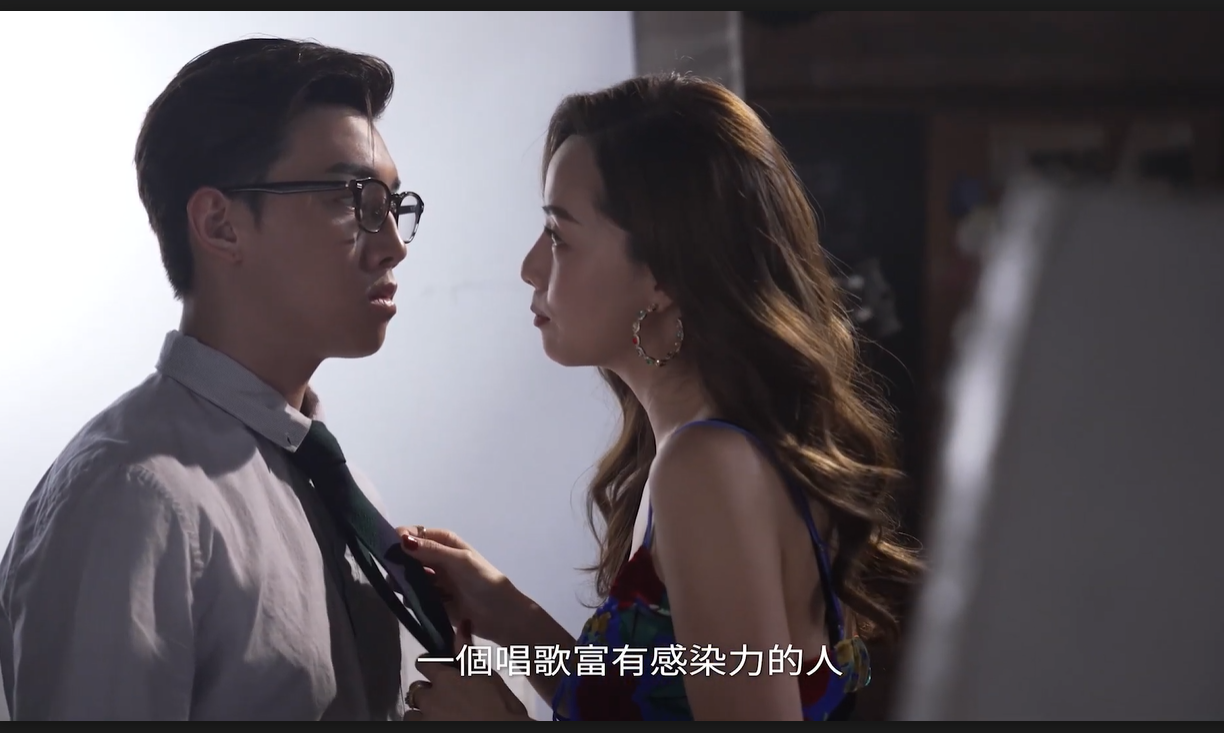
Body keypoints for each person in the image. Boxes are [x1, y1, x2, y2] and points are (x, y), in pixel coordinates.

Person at [397, 72, 922, 722]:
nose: (530, 266)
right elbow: (657, 694)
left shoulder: (705, 465)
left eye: (559, 235)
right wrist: (511, 616)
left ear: (664, 275)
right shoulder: (711, 449)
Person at [0, 37, 425, 720]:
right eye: (354, 200)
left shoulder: (344, 489)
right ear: (220, 224)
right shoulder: (133, 497)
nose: (393, 245)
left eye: (394, 205)